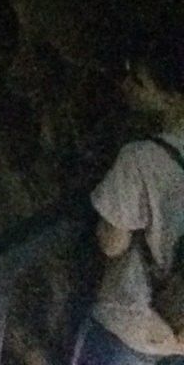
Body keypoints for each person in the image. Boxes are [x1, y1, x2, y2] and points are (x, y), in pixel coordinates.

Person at [77, 53, 184, 365]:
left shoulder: (141, 159)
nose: (127, 86)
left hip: (135, 325)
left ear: (173, 98)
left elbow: (112, 245)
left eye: (139, 81)